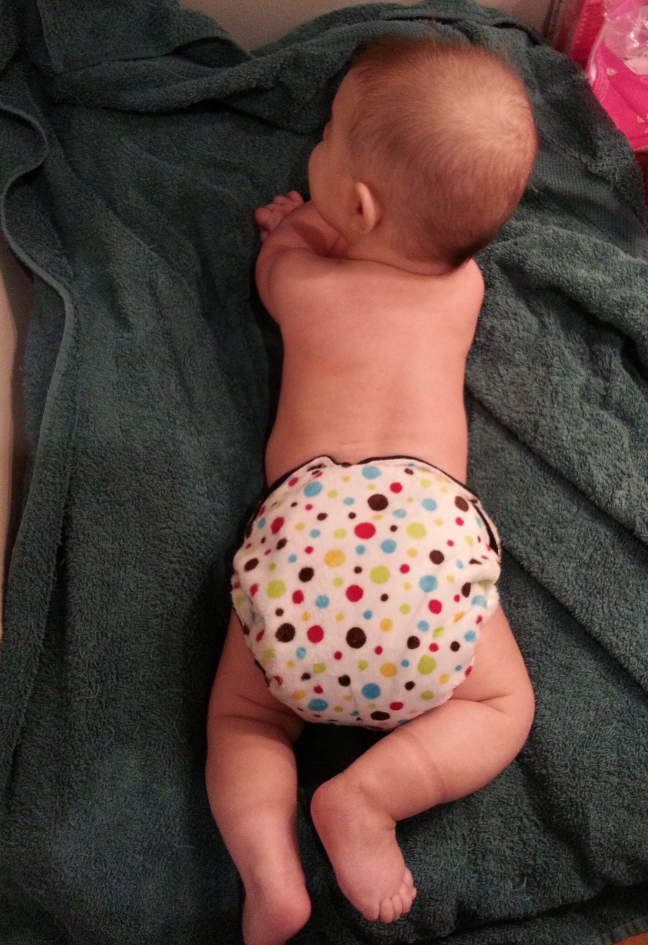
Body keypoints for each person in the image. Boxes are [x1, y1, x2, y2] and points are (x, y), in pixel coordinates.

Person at [205, 35, 537, 945]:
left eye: (325, 139)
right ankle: (369, 796)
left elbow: (279, 266)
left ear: (356, 205)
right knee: (503, 706)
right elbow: (401, 242)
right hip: (427, 546)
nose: (311, 148)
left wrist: (294, 231)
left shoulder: (303, 285)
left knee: (243, 716)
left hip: (307, 542)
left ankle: (268, 870)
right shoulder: (463, 288)